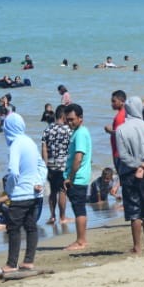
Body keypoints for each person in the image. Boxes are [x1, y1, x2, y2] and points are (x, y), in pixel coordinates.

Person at [0, 113, 45, 275]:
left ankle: (11, 264)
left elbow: (13, 171)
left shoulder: (16, 144)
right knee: (31, 227)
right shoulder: (29, 141)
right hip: (34, 194)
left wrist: (10, 191)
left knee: (13, 228)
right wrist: (40, 182)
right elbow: (41, 165)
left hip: (20, 194)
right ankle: (29, 261)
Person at [114, 96, 144, 255]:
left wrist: (138, 165)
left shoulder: (120, 129)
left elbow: (123, 155)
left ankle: (137, 246)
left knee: (134, 211)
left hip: (129, 173)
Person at [62, 104, 93, 251]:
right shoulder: (79, 132)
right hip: (80, 176)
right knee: (78, 208)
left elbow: (78, 157)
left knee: (78, 209)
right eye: (67, 120)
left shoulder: (80, 133)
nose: (69, 122)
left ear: (80, 118)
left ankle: (81, 241)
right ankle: (81, 239)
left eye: (72, 119)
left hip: (78, 178)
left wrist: (70, 177)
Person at [40, 107, 73, 230]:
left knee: (52, 191)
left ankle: (52, 216)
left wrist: (45, 164)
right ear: (64, 116)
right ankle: (62, 217)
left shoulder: (48, 129)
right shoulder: (68, 130)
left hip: (50, 164)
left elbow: (44, 148)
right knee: (62, 191)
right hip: (63, 165)